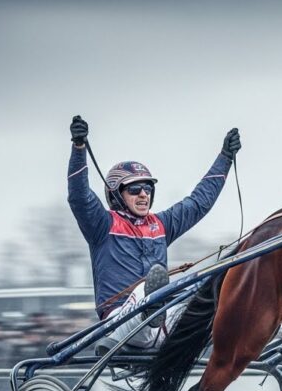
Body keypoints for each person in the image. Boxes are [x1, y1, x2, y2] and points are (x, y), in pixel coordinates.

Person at [66, 115, 240, 350]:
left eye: (148, 189)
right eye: (135, 189)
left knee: (212, 292)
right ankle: (150, 308)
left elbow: (199, 202)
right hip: (120, 324)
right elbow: (79, 197)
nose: (143, 194)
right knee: (149, 285)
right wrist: (79, 148)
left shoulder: (161, 224)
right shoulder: (102, 224)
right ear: (116, 194)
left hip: (162, 324)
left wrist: (225, 158)